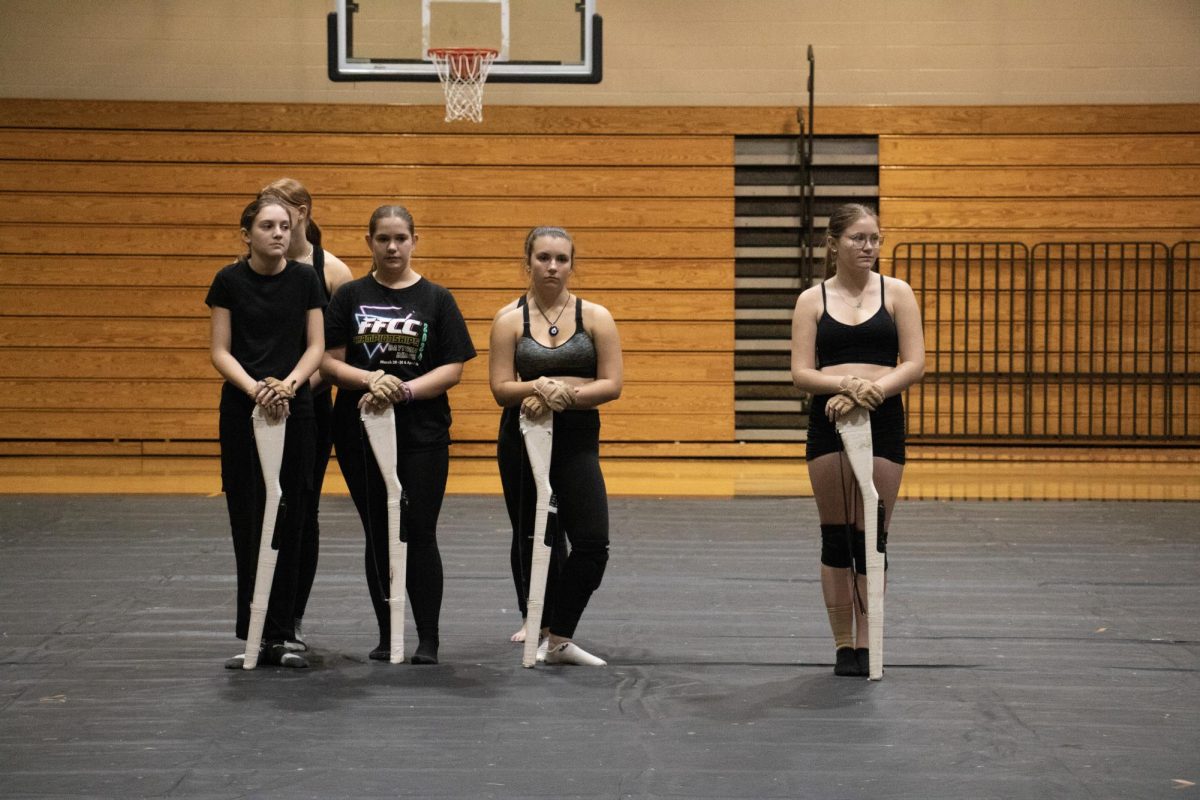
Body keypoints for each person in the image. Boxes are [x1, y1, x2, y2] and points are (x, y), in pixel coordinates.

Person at [321, 205, 476, 665]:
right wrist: (371, 381)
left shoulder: (437, 299)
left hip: (423, 432)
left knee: (420, 531)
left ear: (414, 240)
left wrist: (404, 390)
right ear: (369, 240)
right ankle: (389, 633)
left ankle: (428, 637)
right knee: (379, 532)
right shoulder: (348, 296)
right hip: (359, 430)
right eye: (383, 238)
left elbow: (452, 368)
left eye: (401, 238)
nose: (392, 247)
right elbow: (328, 361)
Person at [790, 203, 925, 677]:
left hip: (883, 418)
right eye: (858, 239)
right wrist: (846, 388)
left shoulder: (898, 292)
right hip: (828, 420)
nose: (869, 247)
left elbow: (914, 362)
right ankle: (843, 642)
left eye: (875, 238)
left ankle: (871, 641)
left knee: (874, 534)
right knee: (836, 535)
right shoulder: (812, 300)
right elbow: (802, 372)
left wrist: (872, 392)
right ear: (834, 243)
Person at [488, 226, 623, 666]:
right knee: (533, 535)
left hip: (577, 439)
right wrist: (540, 385)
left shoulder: (596, 317)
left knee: (591, 542)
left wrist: (565, 393)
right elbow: (501, 388)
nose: (552, 266)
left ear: (572, 264)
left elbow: (612, 383)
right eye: (543, 257)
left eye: (561, 259)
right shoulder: (509, 320)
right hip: (521, 439)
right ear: (526, 262)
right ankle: (542, 624)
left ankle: (560, 632)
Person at [206, 196, 326, 669]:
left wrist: (289, 386)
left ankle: (282, 632)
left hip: (296, 410)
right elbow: (220, 350)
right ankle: (254, 632)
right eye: (267, 226)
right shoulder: (228, 281)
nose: (278, 234)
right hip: (243, 409)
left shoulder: (306, 278)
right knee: (250, 519)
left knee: (292, 516)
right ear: (247, 233)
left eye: (284, 225)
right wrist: (256, 388)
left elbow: (316, 345)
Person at [257, 178, 354, 652]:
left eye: (278, 210)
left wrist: (291, 390)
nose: (271, 221)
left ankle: (291, 616)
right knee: (262, 509)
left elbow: (334, 355)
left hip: (308, 402)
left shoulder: (331, 271)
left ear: (301, 211)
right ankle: (262, 614)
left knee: (302, 511)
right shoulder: (251, 265)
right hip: (258, 399)